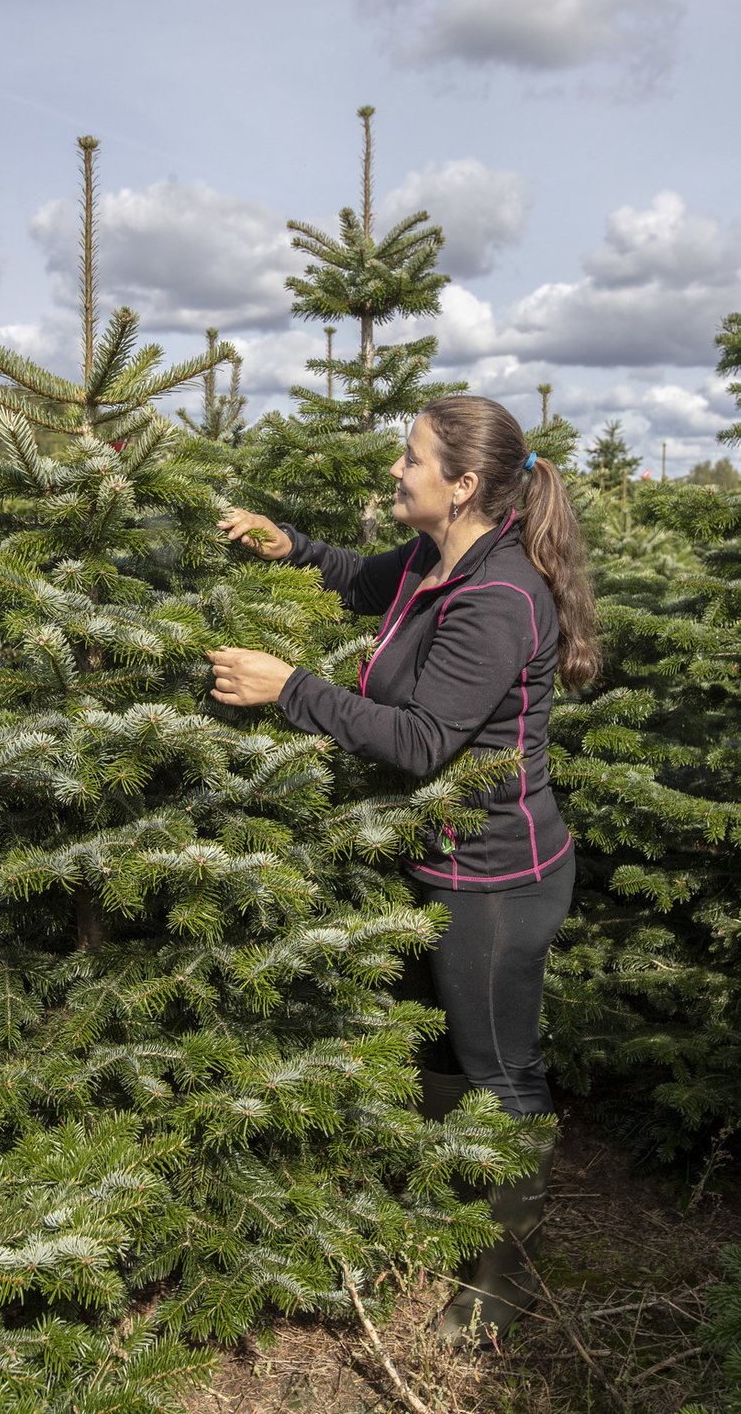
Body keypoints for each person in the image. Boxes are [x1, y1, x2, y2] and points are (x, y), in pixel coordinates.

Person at [208, 394, 599, 1348]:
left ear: (462, 487)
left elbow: (423, 742)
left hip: (496, 878)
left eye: (412, 459)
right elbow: (358, 577)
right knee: (440, 1048)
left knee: (500, 1067)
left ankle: (502, 1277)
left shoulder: (498, 598)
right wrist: (286, 544)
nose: (396, 469)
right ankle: (447, 1211)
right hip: (438, 860)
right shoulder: (437, 555)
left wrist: (290, 689)